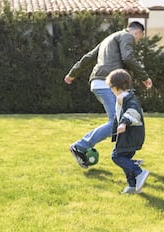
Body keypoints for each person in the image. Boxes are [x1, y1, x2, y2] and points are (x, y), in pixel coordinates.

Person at [64, 21, 152, 168]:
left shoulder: (109, 38)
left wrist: (72, 74)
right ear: (138, 32)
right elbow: (128, 57)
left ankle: (125, 158)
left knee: (126, 120)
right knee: (115, 123)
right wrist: (144, 77)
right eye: (139, 38)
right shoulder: (127, 36)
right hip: (108, 84)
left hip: (99, 83)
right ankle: (80, 146)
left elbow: (88, 57)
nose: (137, 41)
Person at [106, 69, 149, 194]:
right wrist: (115, 130)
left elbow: (134, 112)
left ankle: (139, 172)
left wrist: (124, 123)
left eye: (111, 88)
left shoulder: (127, 99)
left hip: (130, 136)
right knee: (124, 159)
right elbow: (118, 116)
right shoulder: (125, 97)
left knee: (116, 156)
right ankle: (132, 185)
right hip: (129, 136)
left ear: (115, 87)